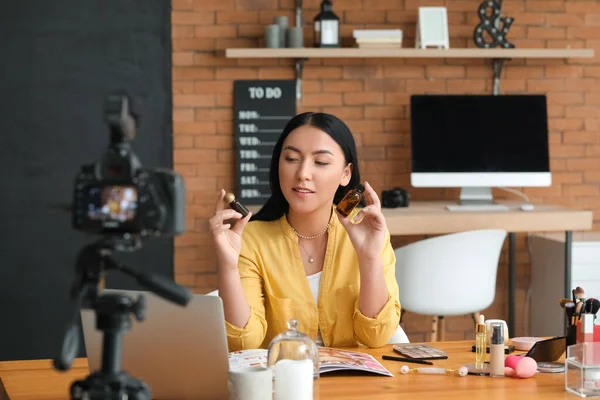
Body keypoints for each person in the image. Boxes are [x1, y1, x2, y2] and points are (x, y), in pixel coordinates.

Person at [209, 112, 400, 351]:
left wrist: (368, 256)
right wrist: (228, 266)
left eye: (320, 162)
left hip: (354, 383)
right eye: (291, 158)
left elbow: (376, 336)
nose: (302, 174)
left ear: (346, 174)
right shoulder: (251, 239)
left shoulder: (368, 231)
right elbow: (242, 342)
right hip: (283, 382)